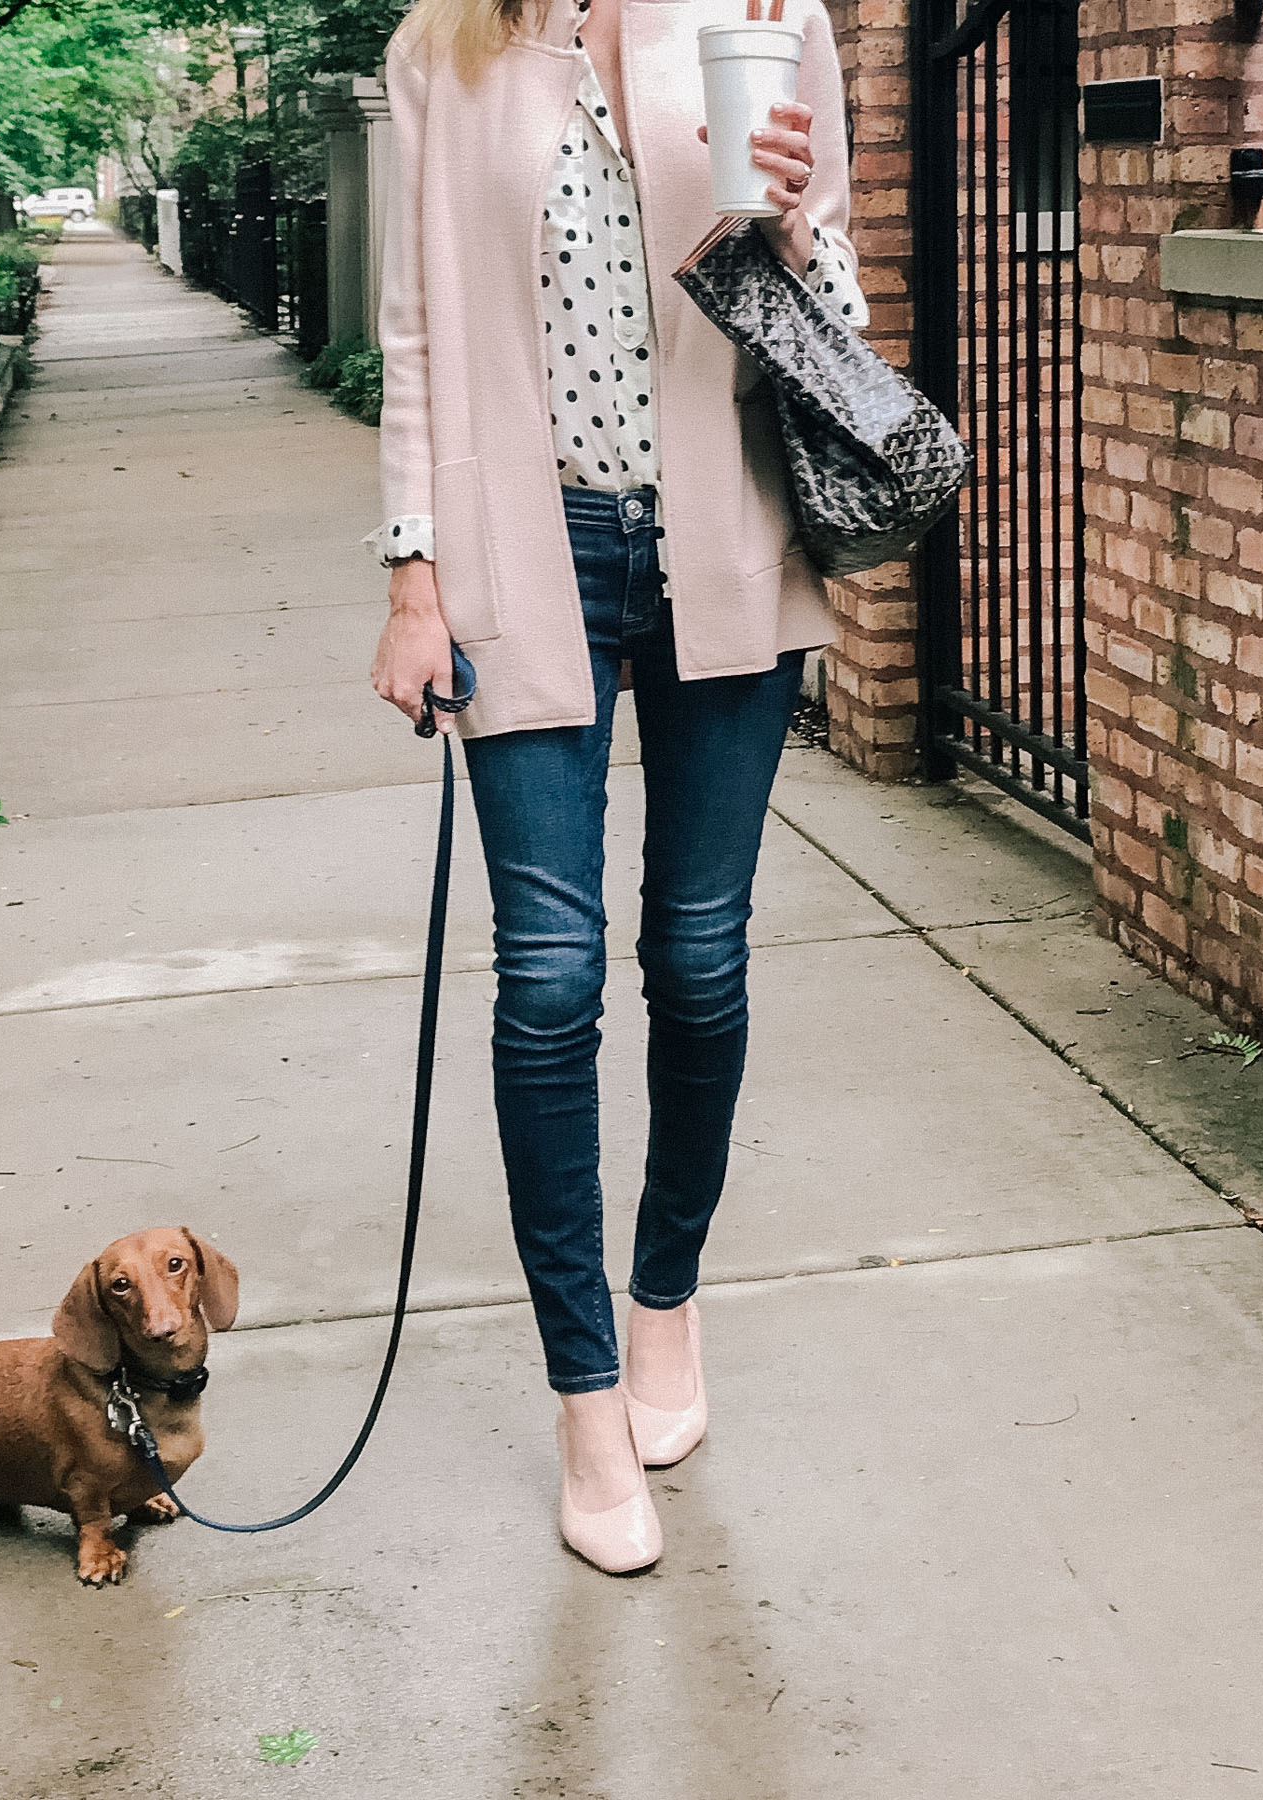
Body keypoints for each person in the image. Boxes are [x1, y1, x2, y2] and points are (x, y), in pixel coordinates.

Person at [367, 0, 866, 1572]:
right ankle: (586, 1401)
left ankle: (667, 1302)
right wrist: (411, 578)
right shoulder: (439, 44)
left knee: (699, 962)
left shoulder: (765, 17)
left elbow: (833, 310)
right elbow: (414, 331)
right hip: (532, 547)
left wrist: (788, 220)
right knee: (551, 981)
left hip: (719, 533)